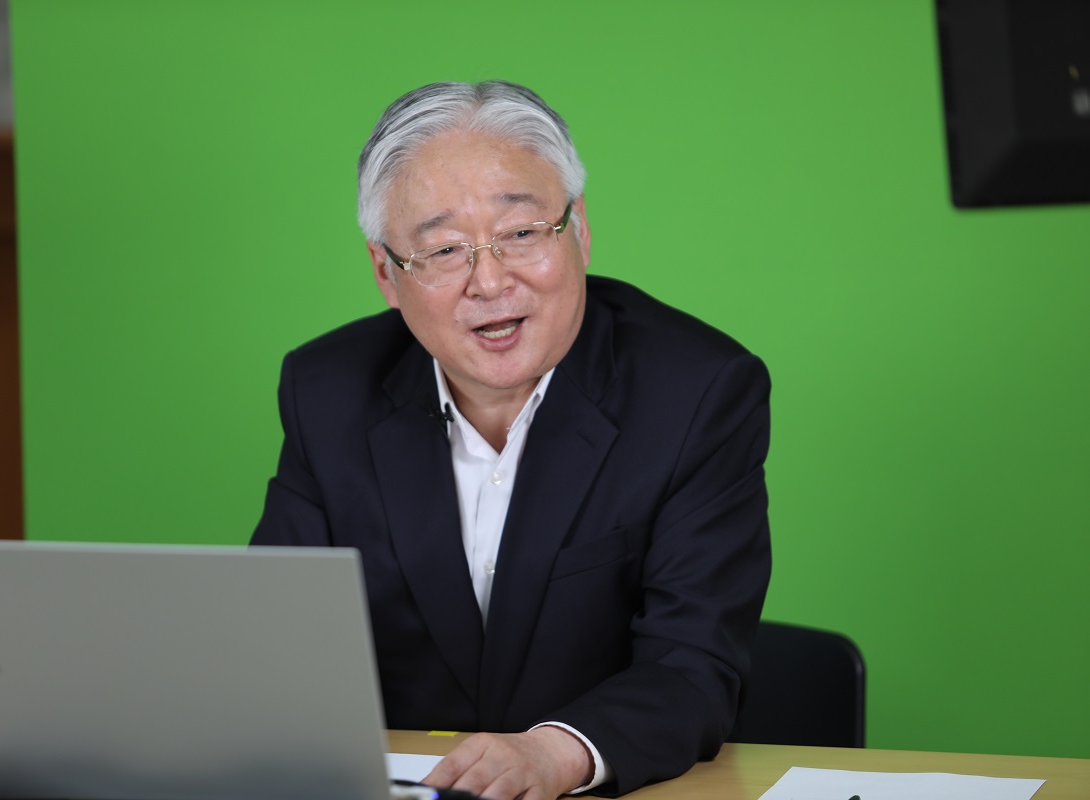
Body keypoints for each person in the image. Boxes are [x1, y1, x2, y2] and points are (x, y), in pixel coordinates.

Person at [252, 80, 771, 799]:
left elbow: (694, 665)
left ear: (578, 229)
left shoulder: (697, 392)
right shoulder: (327, 391)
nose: (490, 281)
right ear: (386, 274)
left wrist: (554, 754)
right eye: (443, 249)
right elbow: (273, 645)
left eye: (522, 233)